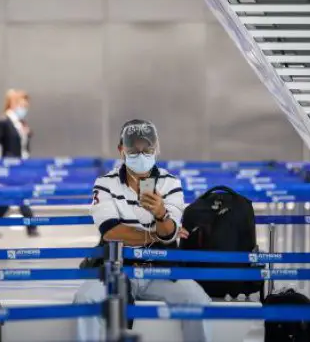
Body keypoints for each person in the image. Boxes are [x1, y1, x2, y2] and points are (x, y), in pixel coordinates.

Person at [73, 119, 211, 342]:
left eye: (146, 148)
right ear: (121, 150)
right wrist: (155, 234)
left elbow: (169, 232)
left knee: (198, 300)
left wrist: (160, 214)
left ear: (155, 149)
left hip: (160, 270)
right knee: (85, 299)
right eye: (134, 149)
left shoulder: (170, 183)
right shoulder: (105, 183)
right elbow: (111, 232)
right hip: (116, 270)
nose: (141, 154)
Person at [0, 89, 38, 237]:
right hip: (10, 166)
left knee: (8, 198)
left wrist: (28, 134)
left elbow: (22, 141)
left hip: (21, 164)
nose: (24, 109)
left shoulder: (20, 123)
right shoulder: (4, 121)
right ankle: (31, 226)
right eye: (22, 105)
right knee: (20, 195)